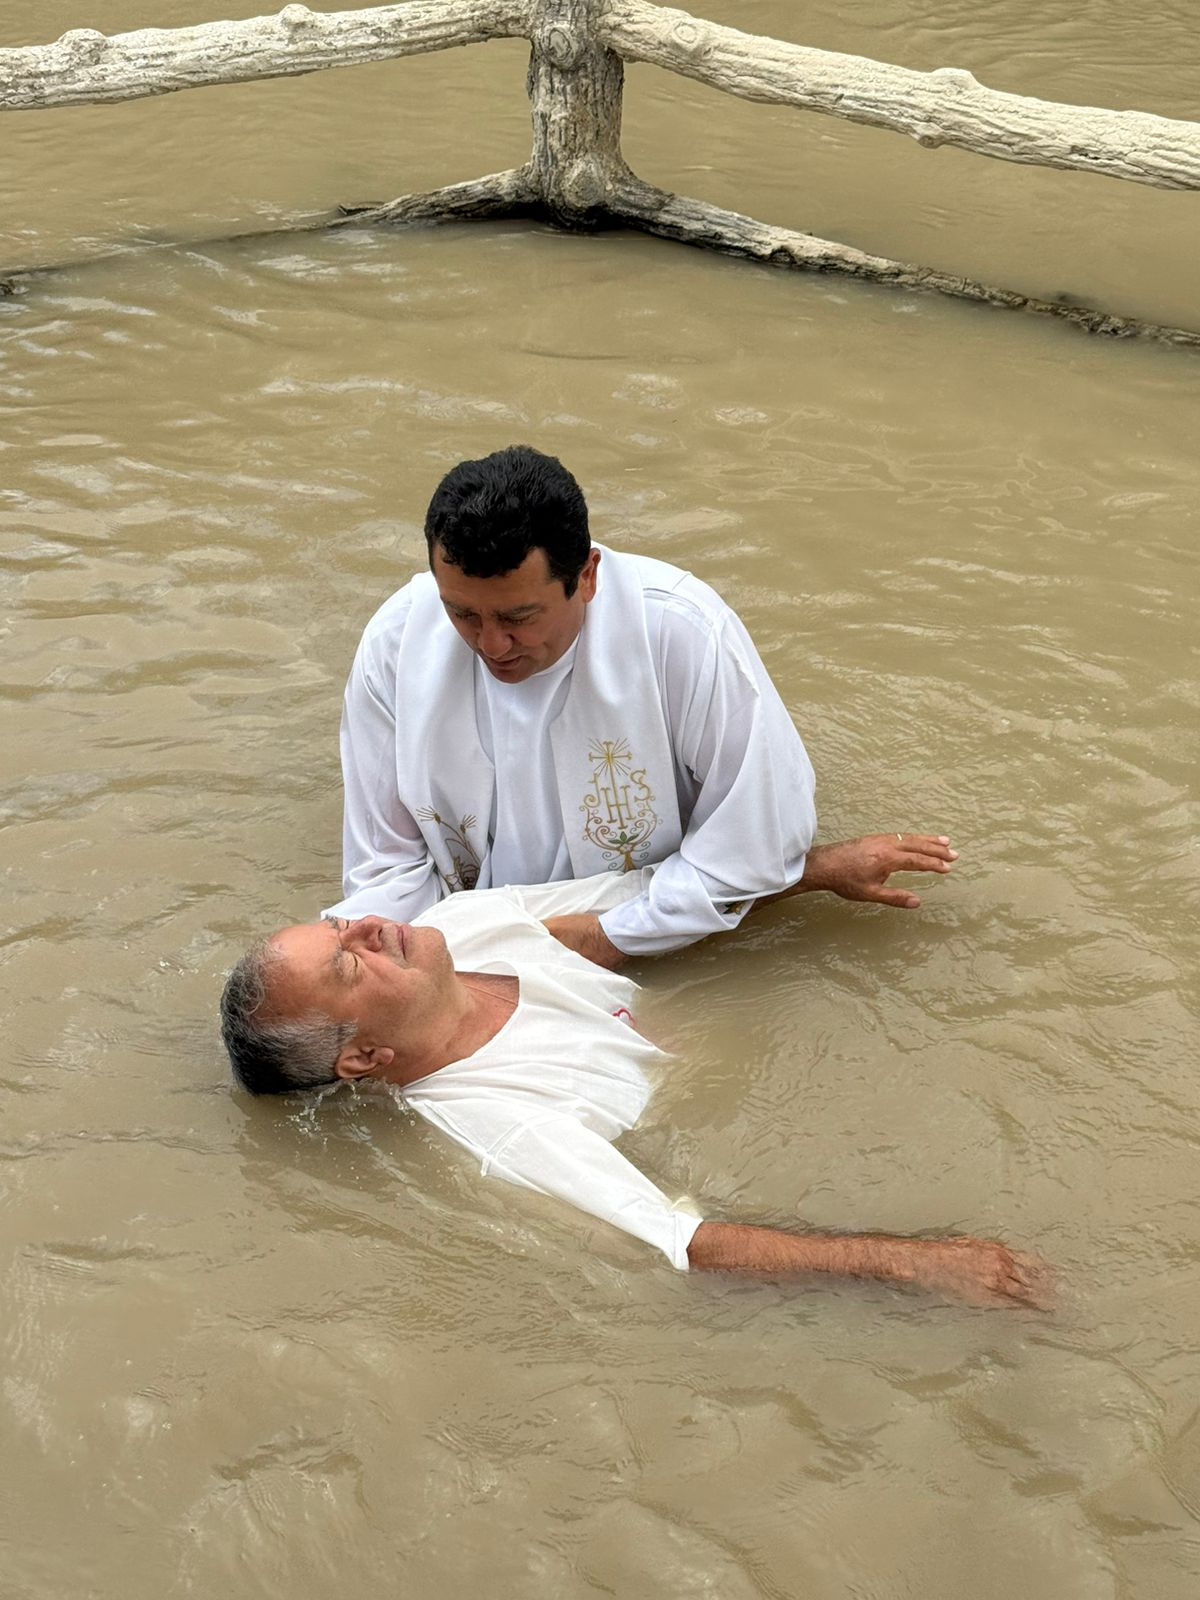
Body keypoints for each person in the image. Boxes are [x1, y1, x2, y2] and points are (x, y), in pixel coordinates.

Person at [222, 870, 1046, 1308]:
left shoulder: (468, 921)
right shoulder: (501, 1131)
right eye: (345, 960)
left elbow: (638, 911)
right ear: (363, 1061)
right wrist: (910, 1265)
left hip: (805, 1038)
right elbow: (679, 1247)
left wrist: (819, 872)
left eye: (336, 925)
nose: (364, 924)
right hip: (776, 1127)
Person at [331, 445, 958, 967]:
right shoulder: (398, 641)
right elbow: (386, 863)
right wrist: (389, 969)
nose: (491, 645)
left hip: (639, 931)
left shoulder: (681, 632)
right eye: (462, 613)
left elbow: (753, 845)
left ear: (588, 576)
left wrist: (597, 940)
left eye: (519, 617)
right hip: (466, 940)